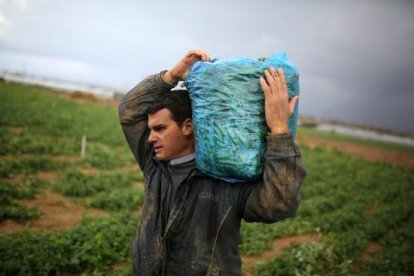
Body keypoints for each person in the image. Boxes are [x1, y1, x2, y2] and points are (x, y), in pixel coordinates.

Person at [118, 49, 306, 275]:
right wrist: (172, 76)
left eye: (159, 129)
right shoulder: (154, 165)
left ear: (187, 126)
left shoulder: (229, 179)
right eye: (150, 130)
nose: (149, 138)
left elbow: (277, 206)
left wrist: (279, 129)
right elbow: (129, 111)